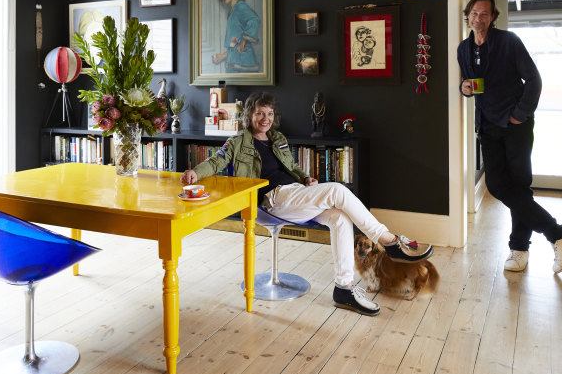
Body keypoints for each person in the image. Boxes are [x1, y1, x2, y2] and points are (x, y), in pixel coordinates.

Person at [182, 91, 433, 316]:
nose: (265, 118)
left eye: (269, 113)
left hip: (294, 192)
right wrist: (195, 172)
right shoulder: (237, 142)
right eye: (259, 113)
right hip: (272, 199)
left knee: (340, 218)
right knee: (337, 190)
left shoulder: (277, 138)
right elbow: (216, 161)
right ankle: (389, 241)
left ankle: (343, 289)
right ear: (250, 115)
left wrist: (304, 178)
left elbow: (290, 166)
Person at [457, 0, 562, 274]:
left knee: (519, 185)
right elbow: (469, 83)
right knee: (499, 185)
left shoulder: (509, 42)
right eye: (474, 13)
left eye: (484, 14)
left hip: (516, 126)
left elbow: (534, 79)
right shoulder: (463, 49)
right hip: (487, 127)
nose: (478, 18)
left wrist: (520, 114)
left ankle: (519, 250)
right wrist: (464, 88)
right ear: (467, 16)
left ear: (492, 17)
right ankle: (557, 234)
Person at [211, 0, 260, 73]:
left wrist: (244, 40)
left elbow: (254, 20)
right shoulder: (233, 10)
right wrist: (222, 56)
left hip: (244, 61)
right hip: (235, 59)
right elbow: (235, 40)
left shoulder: (240, 6)